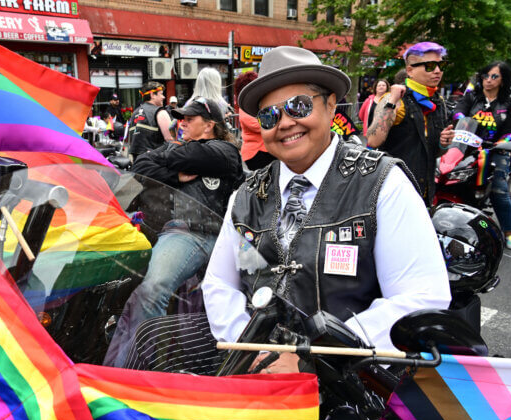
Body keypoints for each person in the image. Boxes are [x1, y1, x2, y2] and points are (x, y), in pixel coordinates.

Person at [124, 46, 451, 375]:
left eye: (299, 106)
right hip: (256, 352)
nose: (284, 123)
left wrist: (319, 356)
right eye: (270, 115)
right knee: (149, 338)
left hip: (348, 371)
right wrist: (251, 347)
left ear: (331, 105)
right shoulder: (247, 194)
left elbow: (423, 295)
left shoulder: (382, 182)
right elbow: (219, 283)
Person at [104, 97, 244, 368]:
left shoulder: (225, 151)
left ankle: (138, 371)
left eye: (189, 119)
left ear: (209, 126)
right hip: (179, 232)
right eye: (181, 118)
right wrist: (174, 176)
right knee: (141, 291)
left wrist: (167, 155)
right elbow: (141, 166)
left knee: (152, 290)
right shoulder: (184, 148)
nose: (182, 123)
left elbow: (193, 156)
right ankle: (128, 368)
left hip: (210, 235)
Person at [366, 42, 454, 206]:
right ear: (410, 70)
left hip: (424, 193)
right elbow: (373, 140)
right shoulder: (396, 100)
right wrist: (392, 100)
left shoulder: (438, 102)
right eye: (429, 66)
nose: (437, 71)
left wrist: (443, 144)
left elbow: (434, 153)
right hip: (394, 192)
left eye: (441, 65)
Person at [452, 61, 511, 249]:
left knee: (499, 188)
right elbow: (458, 114)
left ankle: (509, 232)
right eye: (485, 76)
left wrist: (502, 142)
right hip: (467, 148)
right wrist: (461, 123)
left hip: (496, 151)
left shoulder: (510, 104)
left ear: (503, 80)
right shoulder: (472, 98)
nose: (488, 80)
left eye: (494, 76)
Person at [234, 71, 274, 170]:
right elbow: (262, 125)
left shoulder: (258, 104)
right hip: (256, 152)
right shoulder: (245, 108)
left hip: (265, 150)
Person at [127, 81, 174, 158]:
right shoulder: (160, 112)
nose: (164, 97)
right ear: (152, 95)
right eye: (161, 94)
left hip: (137, 163)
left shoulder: (135, 113)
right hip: (155, 163)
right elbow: (171, 140)